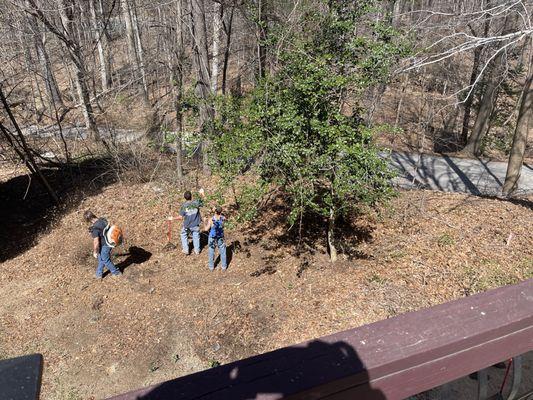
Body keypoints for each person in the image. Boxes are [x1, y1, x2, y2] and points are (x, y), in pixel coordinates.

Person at [84, 210, 122, 279]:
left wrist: (95, 252)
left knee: (105, 259)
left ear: (89, 220)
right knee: (101, 258)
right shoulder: (102, 220)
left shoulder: (95, 229)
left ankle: (116, 273)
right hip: (110, 241)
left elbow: (96, 242)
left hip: (105, 245)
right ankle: (99, 274)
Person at [169, 189, 205, 255]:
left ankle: (186, 250)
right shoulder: (195, 203)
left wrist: (172, 218)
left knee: (183, 234)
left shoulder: (184, 206)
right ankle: (197, 251)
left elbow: (180, 217)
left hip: (187, 225)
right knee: (196, 236)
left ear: (184, 198)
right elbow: (203, 201)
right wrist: (202, 193)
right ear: (191, 196)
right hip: (195, 224)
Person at [204, 206, 227, 271]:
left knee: (211, 251)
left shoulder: (211, 220)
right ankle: (224, 267)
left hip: (212, 237)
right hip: (220, 236)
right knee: (223, 251)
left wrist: (204, 222)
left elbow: (206, 229)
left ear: (215, 211)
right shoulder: (223, 218)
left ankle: (211, 267)